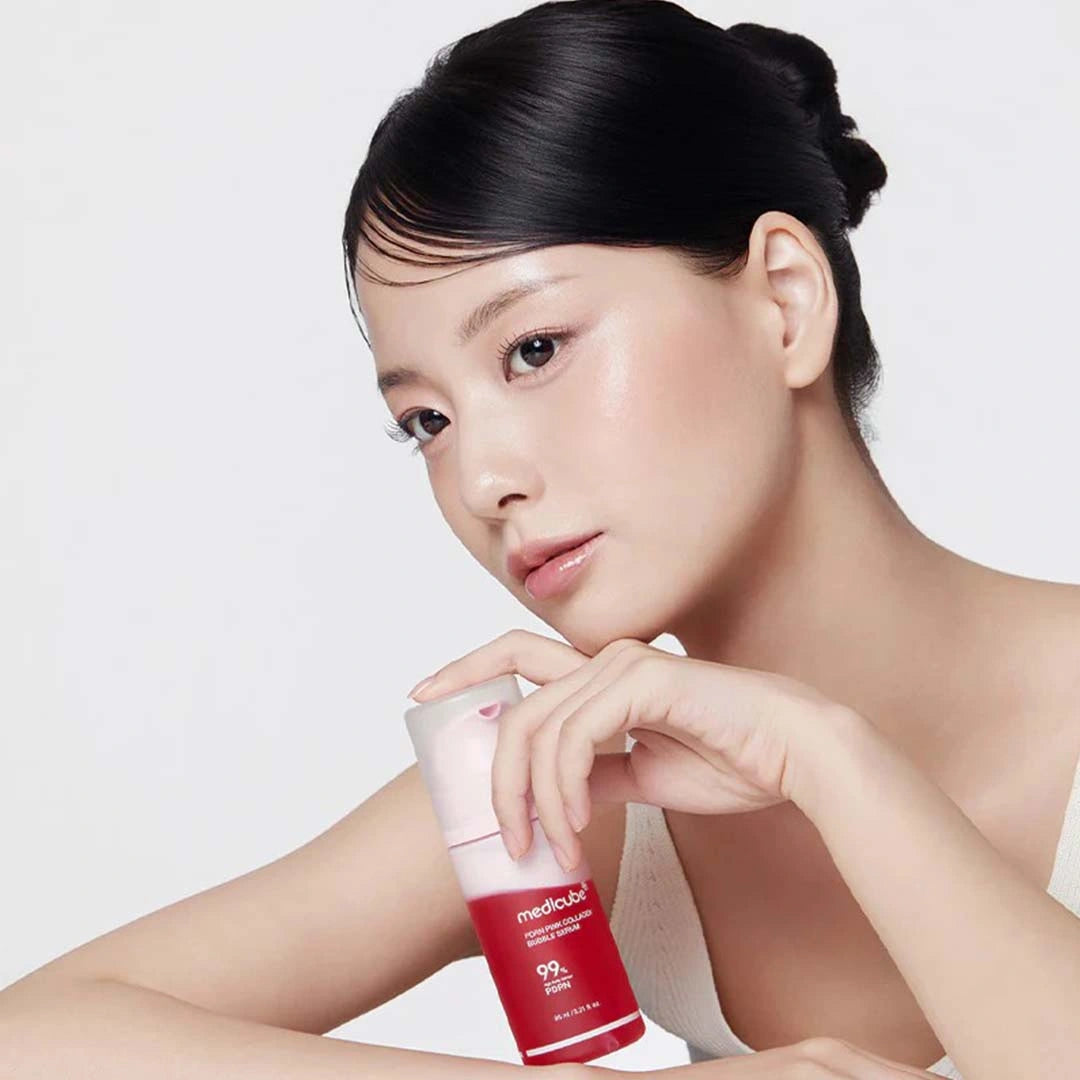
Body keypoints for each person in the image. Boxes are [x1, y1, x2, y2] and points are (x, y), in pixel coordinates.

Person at [2, 2, 1078, 1079]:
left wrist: (830, 759)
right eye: (428, 419)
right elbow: (37, 1041)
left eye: (534, 349)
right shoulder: (578, 791)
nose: (481, 479)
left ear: (786, 304)